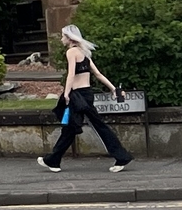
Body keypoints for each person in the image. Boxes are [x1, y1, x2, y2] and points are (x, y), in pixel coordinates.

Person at [40, 23, 132, 173]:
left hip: (77, 96)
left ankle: (122, 156)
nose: (62, 39)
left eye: (63, 36)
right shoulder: (84, 53)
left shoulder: (71, 52)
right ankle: (53, 160)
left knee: (93, 126)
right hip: (87, 94)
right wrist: (114, 88)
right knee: (71, 127)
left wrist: (66, 94)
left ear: (70, 38)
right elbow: (98, 74)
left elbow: (71, 75)